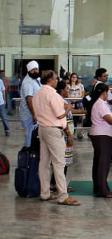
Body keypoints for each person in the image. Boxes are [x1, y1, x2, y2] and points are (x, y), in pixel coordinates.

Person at [32, 70, 80, 206]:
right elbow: (59, 115)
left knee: (44, 163)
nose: (57, 80)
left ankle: (45, 193)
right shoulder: (52, 94)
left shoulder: (38, 94)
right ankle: (63, 196)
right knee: (59, 163)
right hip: (53, 130)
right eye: (55, 78)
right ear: (50, 80)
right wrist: (68, 108)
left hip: (42, 129)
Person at [51, 81, 77, 192]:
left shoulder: (64, 101)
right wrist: (69, 134)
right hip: (65, 135)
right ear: (62, 90)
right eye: (67, 89)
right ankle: (59, 186)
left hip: (68, 134)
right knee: (63, 161)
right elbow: (62, 118)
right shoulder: (59, 101)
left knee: (65, 161)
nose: (68, 91)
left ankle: (57, 184)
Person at [20, 61, 41, 147]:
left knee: (33, 135)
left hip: (34, 113)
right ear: (28, 70)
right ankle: (27, 156)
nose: (35, 71)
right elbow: (29, 100)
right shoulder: (28, 82)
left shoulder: (35, 79)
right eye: (33, 70)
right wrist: (34, 114)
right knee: (29, 136)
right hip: (29, 115)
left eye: (36, 69)